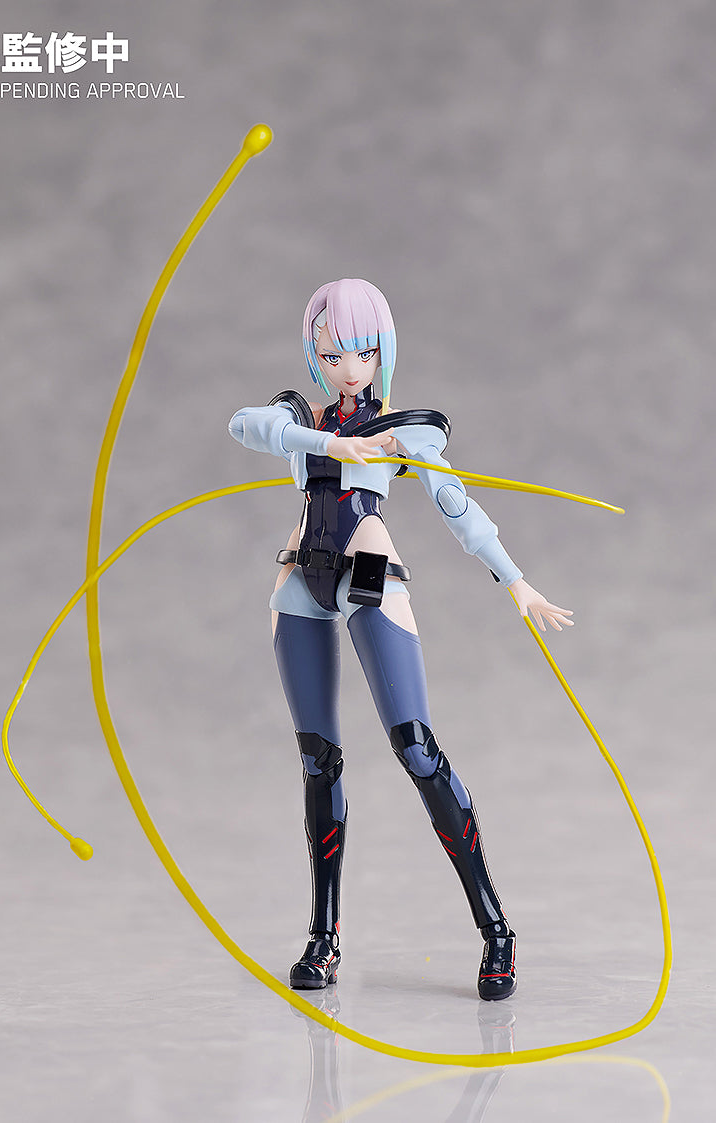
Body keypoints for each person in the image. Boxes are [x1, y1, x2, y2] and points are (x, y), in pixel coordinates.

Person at [228, 278, 572, 1000]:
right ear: (315, 355)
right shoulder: (301, 416)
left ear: (381, 351)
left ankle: (496, 928)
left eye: (362, 352)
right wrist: (331, 443)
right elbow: (244, 426)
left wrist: (517, 582)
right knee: (317, 760)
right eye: (332, 355)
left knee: (416, 746)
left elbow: (457, 505)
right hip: (301, 580)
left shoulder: (401, 431)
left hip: (368, 568)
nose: (348, 368)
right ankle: (323, 936)